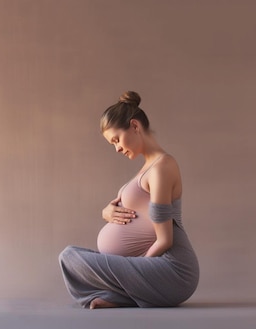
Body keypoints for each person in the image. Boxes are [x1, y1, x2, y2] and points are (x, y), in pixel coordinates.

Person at [58, 91, 199, 309]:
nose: (117, 148)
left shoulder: (162, 167)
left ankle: (131, 294)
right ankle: (127, 297)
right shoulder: (148, 168)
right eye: (112, 144)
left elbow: (165, 240)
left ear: (134, 126)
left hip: (173, 269)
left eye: (116, 140)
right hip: (152, 267)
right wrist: (106, 213)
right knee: (73, 258)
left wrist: (133, 268)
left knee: (69, 257)